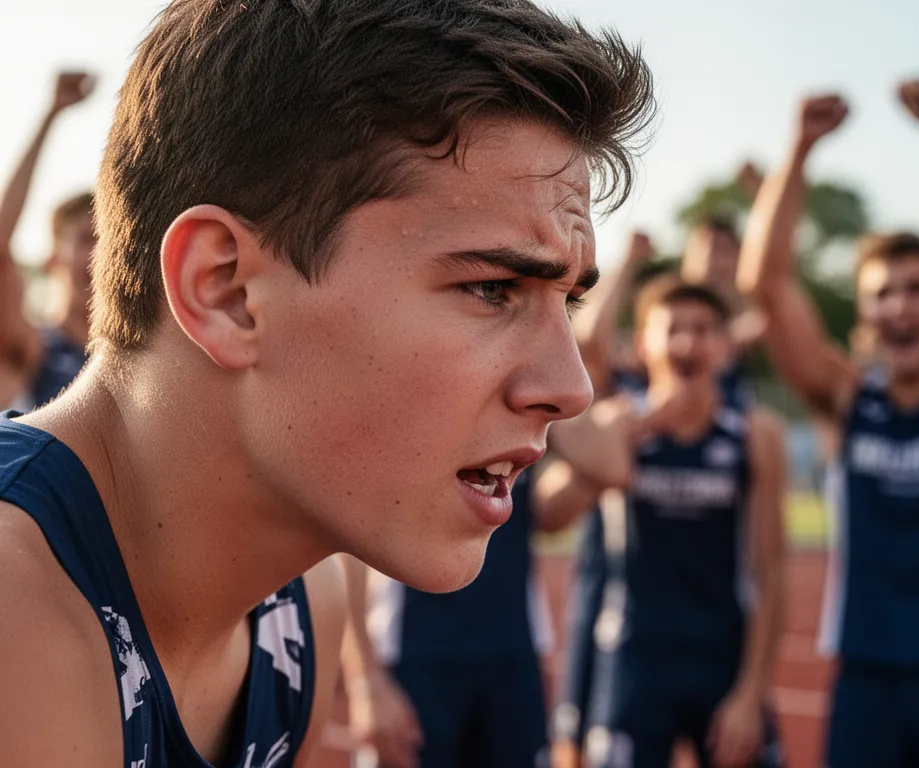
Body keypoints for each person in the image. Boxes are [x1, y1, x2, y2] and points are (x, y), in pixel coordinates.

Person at [0, 1, 656, 767]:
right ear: (227, 291)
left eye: (567, 302)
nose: (571, 388)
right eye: (493, 288)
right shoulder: (16, 614)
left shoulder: (305, 603)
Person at [738, 81, 919, 767]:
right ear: (864, 315)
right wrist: (799, 150)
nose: (899, 306)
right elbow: (766, 283)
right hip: (866, 679)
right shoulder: (844, 402)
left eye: (917, 288)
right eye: (881, 293)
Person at [553, 279, 788, 768]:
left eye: (703, 330)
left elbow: (770, 571)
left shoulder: (754, 435)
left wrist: (752, 694)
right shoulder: (619, 421)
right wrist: (618, 449)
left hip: (721, 655)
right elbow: (549, 515)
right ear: (643, 345)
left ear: (726, 346)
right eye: (672, 329)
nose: (687, 342)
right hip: (635, 656)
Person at [342, 462, 602, 768]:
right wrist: (366, 680)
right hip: (414, 660)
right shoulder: (400, 423)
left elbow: (557, 505)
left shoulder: (524, 421)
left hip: (512, 656)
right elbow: (350, 536)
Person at [0, 72, 96, 409]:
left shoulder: (141, 355)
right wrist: (50, 115)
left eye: (107, 241)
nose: (100, 255)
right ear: (53, 258)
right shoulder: (33, 349)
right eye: (86, 239)